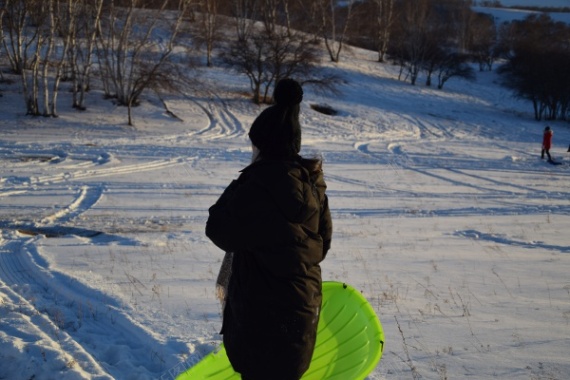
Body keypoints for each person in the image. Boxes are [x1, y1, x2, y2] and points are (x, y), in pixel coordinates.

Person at [205, 78, 333, 380]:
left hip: (261, 317)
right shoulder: (313, 183)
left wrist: (241, 182)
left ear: (262, 146)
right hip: (301, 312)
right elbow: (322, 246)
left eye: (255, 145)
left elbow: (217, 228)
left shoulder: (258, 186)